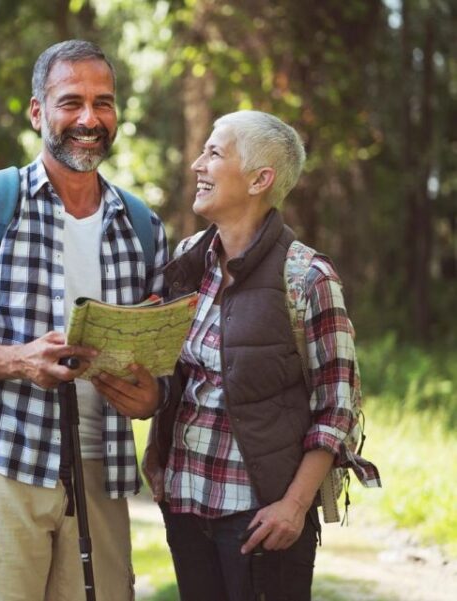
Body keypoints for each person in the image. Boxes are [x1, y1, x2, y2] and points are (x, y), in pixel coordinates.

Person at [0, 39, 168, 600]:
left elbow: (161, 359)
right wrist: (20, 360)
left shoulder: (143, 227)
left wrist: (152, 397)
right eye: (70, 102)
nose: (89, 118)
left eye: (103, 103)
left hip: (100, 467)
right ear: (37, 111)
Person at [133, 110, 381, 600]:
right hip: (185, 504)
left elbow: (337, 409)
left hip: (262, 517)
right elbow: (179, 377)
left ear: (259, 179)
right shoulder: (189, 260)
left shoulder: (308, 278)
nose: (197, 165)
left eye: (214, 153)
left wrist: (294, 505)